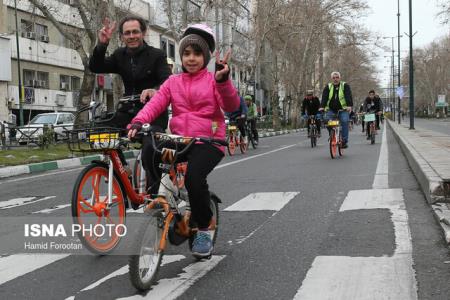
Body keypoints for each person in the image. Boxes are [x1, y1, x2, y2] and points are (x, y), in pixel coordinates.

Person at [127, 24, 240, 258]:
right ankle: (160, 202)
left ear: (205, 57)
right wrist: (138, 122)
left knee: (193, 178)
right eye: (186, 53)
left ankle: (203, 229)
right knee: (149, 150)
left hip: (208, 141)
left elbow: (231, 106)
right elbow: (155, 104)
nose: (191, 58)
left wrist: (223, 81)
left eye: (197, 54)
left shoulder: (213, 80)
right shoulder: (172, 82)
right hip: (179, 138)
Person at [89, 16, 172, 130]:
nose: (132, 36)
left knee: (149, 140)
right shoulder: (119, 55)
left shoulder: (157, 55)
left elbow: (168, 81)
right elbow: (96, 67)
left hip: (153, 114)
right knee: (98, 129)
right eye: (127, 33)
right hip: (127, 112)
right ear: (122, 37)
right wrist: (102, 45)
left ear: (143, 33)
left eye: (135, 32)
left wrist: (155, 90)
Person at [320, 72, 353, 148]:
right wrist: (322, 106)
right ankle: (332, 134)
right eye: (334, 78)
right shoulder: (328, 86)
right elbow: (324, 97)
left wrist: (349, 106)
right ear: (332, 79)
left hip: (343, 109)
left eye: (337, 77)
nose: (335, 79)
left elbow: (348, 96)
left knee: (345, 121)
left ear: (339, 78)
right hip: (331, 109)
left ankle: (344, 141)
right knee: (326, 120)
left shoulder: (345, 85)